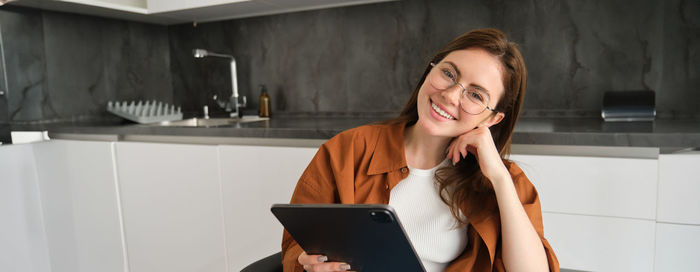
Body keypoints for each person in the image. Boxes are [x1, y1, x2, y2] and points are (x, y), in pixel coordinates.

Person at [282, 28, 559, 272]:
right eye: (448, 73)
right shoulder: (345, 151)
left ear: (491, 119)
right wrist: (309, 265)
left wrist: (499, 178)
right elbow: (296, 248)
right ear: (431, 70)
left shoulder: (505, 181)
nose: (450, 96)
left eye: (475, 95)